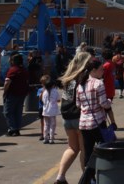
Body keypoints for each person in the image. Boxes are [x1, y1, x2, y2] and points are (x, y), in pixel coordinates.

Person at [54, 52, 91, 184]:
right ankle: (86, 179)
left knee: (72, 148)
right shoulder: (83, 77)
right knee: (84, 149)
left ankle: (60, 176)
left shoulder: (68, 78)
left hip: (66, 116)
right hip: (79, 116)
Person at [76, 58, 113, 173]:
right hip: (97, 121)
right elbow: (103, 103)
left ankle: (89, 178)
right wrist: (109, 102)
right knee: (106, 149)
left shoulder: (80, 85)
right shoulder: (98, 83)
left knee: (88, 152)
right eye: (101, 70)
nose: (103, 72)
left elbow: (78, 104)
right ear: (94, 70)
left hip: (84, 124)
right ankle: (106, 174)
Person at [0, 52, 30, 136]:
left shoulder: (13, 70)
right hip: (22, 94)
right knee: (18, 111)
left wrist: (5, 92)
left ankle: (12, 128)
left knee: (8, 112)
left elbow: (7, 82)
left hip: (12, 94)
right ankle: (17, 128)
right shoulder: (24, 70)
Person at [40, 74, 61, 144]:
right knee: (53, 125)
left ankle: (45, 138)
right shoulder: (55, 91)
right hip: (53, 110)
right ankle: (51, 139)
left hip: (45, 110)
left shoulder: (44, 92)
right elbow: (58, 100)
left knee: (46, 124)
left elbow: (42, 101)